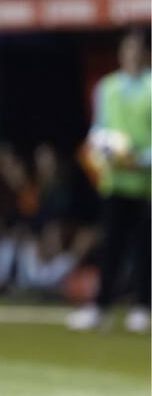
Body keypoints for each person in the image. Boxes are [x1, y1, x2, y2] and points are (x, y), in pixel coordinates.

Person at [65, 30, 151, 333]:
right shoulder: (108, 87)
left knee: (145, 247)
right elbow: (99, 127)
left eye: (136, 49)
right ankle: (101, 307)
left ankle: (143, 307)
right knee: (111, 246)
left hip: (146, 182)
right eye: (126, 49)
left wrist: (139, 159)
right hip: (114, 182)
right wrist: (104, 149)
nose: (130, 55)